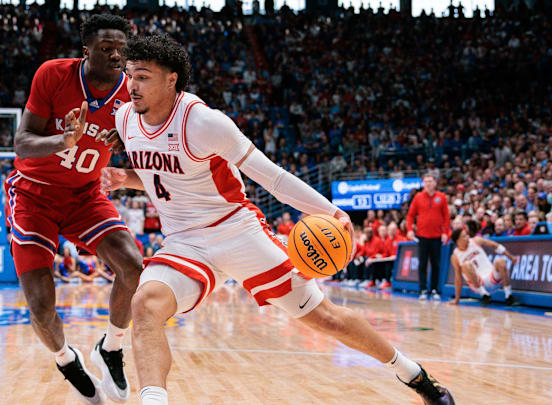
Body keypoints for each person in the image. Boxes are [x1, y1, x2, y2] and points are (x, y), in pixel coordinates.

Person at [100, 34, 453, 405]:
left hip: (236, 231)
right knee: (145, 305)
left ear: (171, 80)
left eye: (142, 77)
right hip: (184, 243)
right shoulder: (126, 119)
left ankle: (413, 374)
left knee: (326, 319)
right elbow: (167, 175)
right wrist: (128, 179)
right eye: (129, 75)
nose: (131, 86)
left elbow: (271, 177)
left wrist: (330, 211)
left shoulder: (203, 122)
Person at [8, 14, 142, 403]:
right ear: (87, 51)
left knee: (133, 266)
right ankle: (66, 359)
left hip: (85, 194)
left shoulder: (132, 93)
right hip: (34, 194)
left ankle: (112, 347)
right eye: (105, 48)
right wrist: (62, 141)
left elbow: (141, 147)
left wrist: (126, 146)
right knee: (40, 305)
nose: (115, 55)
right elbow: (22, 142)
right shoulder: (53, 74)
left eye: (121, 48)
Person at [406, 173, 450, 301]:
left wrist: (445, 232)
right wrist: (409, 229)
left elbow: (446, 217)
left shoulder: (441, 197)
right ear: (423, 184)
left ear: (435, 183)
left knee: (436, 264)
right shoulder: (418, 197)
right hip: (422, 236)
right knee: (422, 264)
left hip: (437, 236)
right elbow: (410, 215)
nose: (428, 184)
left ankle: (435, 290)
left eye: (430, 181)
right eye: (426, 182)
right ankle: (423, 290)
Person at [449, 227, 518, 306]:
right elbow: (458, 278)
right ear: (458, 241)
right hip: (478, 283)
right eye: (464, 236)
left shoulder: (476, 241)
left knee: (501, 261)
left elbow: (495, 245)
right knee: (466, 265)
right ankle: (484, 295)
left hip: (491, 278)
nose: (467, 237)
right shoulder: (455, 256)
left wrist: (510, 257)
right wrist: (457, 300)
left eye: (467, 235)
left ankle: (509, 296)